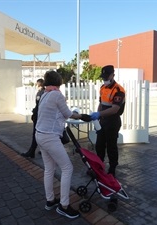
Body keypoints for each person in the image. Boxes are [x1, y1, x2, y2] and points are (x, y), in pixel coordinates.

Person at [35, 70, 90, 219]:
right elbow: (68, 113)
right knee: (67, 168)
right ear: (58, 82)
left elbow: (54, 113)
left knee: (49, 169)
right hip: (50, 137)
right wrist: (83, 116)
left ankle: (50, 200)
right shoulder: (56, 94)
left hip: (39, 135)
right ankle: (64, 206)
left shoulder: (45, 94)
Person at [90, 65, 126, 177]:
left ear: (113, 75)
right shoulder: (102, 88)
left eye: (107, 76)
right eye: (103, 77)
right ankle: (99, 168)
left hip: (113, 122)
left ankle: (112, 169)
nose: (104, 79)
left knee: (111, 147)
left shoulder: (119, 90)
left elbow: (115, 109)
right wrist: (97, 116)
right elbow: (101, 103)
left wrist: (99, 114)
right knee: (99, 145)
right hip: (103, 121)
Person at [21, 79, 45, 158]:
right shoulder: (45, 92)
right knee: (40, 134)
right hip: (42, 116)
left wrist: (34, 113)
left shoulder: (40, 93)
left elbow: (38, 105)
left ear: (39, 85)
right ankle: (40, 150)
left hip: (38, 116)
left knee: (36, 133)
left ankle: (32, 151)